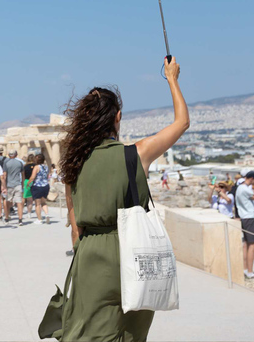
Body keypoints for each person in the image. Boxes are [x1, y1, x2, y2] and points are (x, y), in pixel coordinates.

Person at [39, 57, 188, 342]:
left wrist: (83, 257)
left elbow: (74, 224)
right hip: (133, 250)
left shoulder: (73, 163)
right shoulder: (135, 154)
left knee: (88, 332)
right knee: (130, 333)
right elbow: (182, 123)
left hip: (90, 253)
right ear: (117, 117)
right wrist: (172, 78)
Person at [236, 170, 254, 279]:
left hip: (244, 217)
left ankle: (245, 268)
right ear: (251, 178)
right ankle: (250, 271)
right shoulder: (245, 189)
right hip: (250, 216)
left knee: (246, 244)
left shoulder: (240, 188)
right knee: (252, 245)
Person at [3, 150, 25, 225]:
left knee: (7, 201)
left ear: (9, 155)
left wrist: (4, 186)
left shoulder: (6, 163)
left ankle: (6, 217)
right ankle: (20, 219)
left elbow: (4, 175)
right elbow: (22, 175)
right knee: (19, 202)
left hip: (9, 184)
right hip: (18, 184)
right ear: (16, 155)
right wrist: (22, 185)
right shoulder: (20, 163)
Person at [28, 154, 51, 224]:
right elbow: (47, 176)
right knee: (43, 202)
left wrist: (28, 183)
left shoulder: (36, 167)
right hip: (46, 186)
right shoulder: (46, 167)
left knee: (37, 204)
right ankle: (47, 215)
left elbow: (32, 177)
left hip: (37, 186)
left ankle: (39, 219)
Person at [23, 154, 36, 218]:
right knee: (33, 199)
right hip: (34, 181)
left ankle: (27, 212)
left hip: (27, 181)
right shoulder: (36, 166)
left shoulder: (25, 166)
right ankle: (31, 212)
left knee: (27, 199)